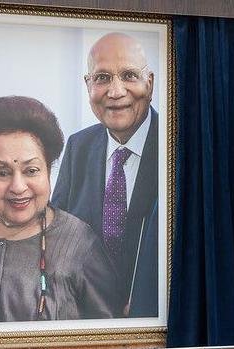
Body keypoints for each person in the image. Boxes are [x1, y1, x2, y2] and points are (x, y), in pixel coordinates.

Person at [0, 96, 118, 323]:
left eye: (31, 170)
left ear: (48, 170)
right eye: (2, 173)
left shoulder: (80, 243)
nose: (19, 187)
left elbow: (112, 340)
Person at [52, 32, 158, 318]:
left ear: (150, 83)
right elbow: (56, 235)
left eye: (128, 75)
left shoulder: (176, 145)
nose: (115, 91)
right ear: (88, 85)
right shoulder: (77, 146)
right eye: (102, 78)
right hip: (86, 322)